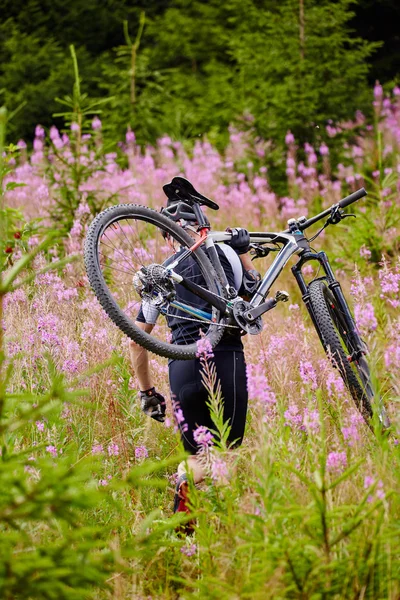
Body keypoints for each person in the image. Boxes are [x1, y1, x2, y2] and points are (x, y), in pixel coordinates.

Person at [129, 194, 260, 520]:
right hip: (226, 357)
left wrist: (146, 391)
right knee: (225, 454)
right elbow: (251, 299)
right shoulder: (226, 253)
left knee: (195, 457)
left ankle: (185, 525)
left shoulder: (161, 273)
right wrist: (244, 255)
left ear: (168, 235)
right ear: (204, 226)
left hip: (182, 367)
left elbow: (137, 340)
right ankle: (224, 531)